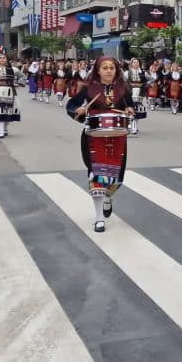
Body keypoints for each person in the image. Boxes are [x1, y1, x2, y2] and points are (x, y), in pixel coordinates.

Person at [66, 57, 137, 233]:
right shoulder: (89, 88)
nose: (108, 71)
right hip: (93, 137)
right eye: (104, 68)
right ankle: (99, 218)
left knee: (116, 180)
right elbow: (72, 104)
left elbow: (132, 107)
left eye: (111, 67)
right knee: (95, 176)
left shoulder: (123, 88)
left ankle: (108, 197)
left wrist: (131, 111)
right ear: (98, 70)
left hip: (117, 137)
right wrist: (78, 110)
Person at [0, 53, 26, 138]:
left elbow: (22, 76)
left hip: (10, 92)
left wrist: (18, 83)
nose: (2, 59)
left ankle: (5, 128)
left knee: (9, 112)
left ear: (6, 59)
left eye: (4, 58)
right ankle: (1, 131)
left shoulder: (13, 69)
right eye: (0, 58)